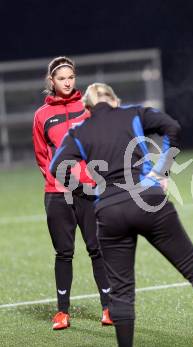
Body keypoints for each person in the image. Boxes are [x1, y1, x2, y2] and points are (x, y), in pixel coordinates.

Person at [49, 83, 193, 347]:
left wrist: (88, 192)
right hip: (149, 200)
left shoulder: (79, 130)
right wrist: (162, 170)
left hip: (109, 211)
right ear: (115, 100)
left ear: (87, 108)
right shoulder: (133, 113)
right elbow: (173, 127)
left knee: (121, 292)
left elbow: (57, 167)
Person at [32, 57, 112, 330]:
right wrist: (58, 180)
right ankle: (62, 312)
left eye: (71, 77)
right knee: (64, 253)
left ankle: (108, 308)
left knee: (97, 249)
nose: (67, 82)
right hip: (57, 193)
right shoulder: (42, 115)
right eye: (61, 78)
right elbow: (42, 155)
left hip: (89, 191)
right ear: (51, 82)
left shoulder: (86, 108)